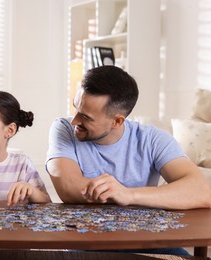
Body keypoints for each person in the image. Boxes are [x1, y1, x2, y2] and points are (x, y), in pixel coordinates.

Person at [46, 65, 211, 255]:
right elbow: (68, 187)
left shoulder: (153, 139)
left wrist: (128, 195)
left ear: (117, 121)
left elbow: (200, 191)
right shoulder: (63, 129)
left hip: (147, 239)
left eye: (85, 116)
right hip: (85, 241)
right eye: (76, 108)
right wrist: (118, 195)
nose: (74, 120)